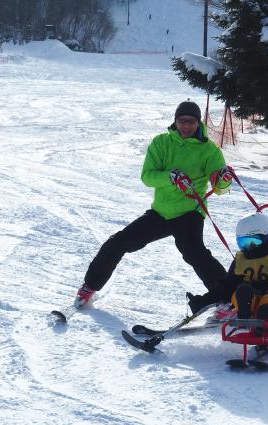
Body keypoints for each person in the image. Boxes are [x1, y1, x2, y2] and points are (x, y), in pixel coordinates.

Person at [76, 100, 234, 304]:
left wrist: (224, 179)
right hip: (160, 212)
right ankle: (90, 286)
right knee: (118, 242)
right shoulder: (161, 143)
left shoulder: (209, 150)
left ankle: (229, 298)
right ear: (175, 121)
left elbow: (221, 189)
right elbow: (147, 177)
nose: (186, 126)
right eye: (182, 121)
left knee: (196, 254)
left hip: (190, 213)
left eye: (191, 122)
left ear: (199, 122)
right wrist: (171, 177)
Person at [186, 212, 268, 322]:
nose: (248, 248)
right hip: (251, 296)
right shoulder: (242, 260)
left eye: (252, 242)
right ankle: (248, 310)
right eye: (242, 243)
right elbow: (225, 287)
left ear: (266, 236)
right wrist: (204, 301)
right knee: (240, 293)